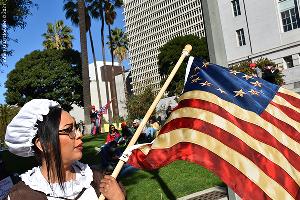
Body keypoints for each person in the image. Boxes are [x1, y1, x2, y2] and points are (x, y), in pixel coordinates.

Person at [5, 99, 125, 200]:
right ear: (43, 144)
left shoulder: (101, 179)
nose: (79, 134)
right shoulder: (22, 196)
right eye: (69, 130)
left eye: (76, 127)